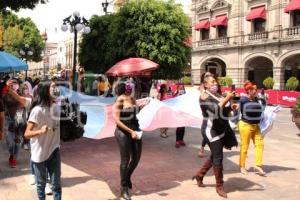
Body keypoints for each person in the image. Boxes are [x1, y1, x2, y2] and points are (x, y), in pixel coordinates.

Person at [192, 72, 236, 198]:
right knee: (218, 157)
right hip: (211, 130)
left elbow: (223, 111)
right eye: (212, 82)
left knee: (215, 155)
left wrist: (230, 107)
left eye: (215, 81)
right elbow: (215, 110)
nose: (215, 83)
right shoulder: (204, 96)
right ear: (205, 85)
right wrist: (227, 99)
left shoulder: (217, 94)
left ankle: (199, 175)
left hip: (221, 128)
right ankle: (219, 186)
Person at [25, 81, 62, 200]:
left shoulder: (56, 108)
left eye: (56, 87)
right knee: (41, 185)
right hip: (39, 154)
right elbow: (26, 134)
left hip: (54, 150)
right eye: (53, 87)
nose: (56, 89)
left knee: (56, 185)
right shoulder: (37, 111)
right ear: (46, 91)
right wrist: (40, 131)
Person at [113, 82, 142, 200]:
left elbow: (136, 113)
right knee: (125, 160)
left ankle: (127, 176)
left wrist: (141, 106)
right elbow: (117, 120)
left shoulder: (132, 98)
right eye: (127, 86)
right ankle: (123, 188)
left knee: (136, 158)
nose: (130, 87)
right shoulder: (119, 100)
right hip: (123, 132)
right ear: (124, 89)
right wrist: (130, 132)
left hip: (136, 130)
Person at [239, 81, 266, 176]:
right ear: (248, 91)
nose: (256, 91)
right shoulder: (243, 100)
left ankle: (258, 165)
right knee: (245, 147)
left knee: (260, 144)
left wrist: (262, 100)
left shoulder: (256, 99)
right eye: (253, 89)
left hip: (256, 126)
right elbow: (248, 110)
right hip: (246, 125)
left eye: (256, 89)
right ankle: (242, 166)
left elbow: (262, 108)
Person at [175, 83, 187, 148]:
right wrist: (177, 94)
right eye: (180, 87)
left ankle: (181, 140)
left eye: (182, 87)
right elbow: (173, 100)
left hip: (183, 112)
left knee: (183, 127)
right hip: (178, 112)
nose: (181, 88)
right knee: (179, 127)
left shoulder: (185, 94)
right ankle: (177, 140)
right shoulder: (176, 93)